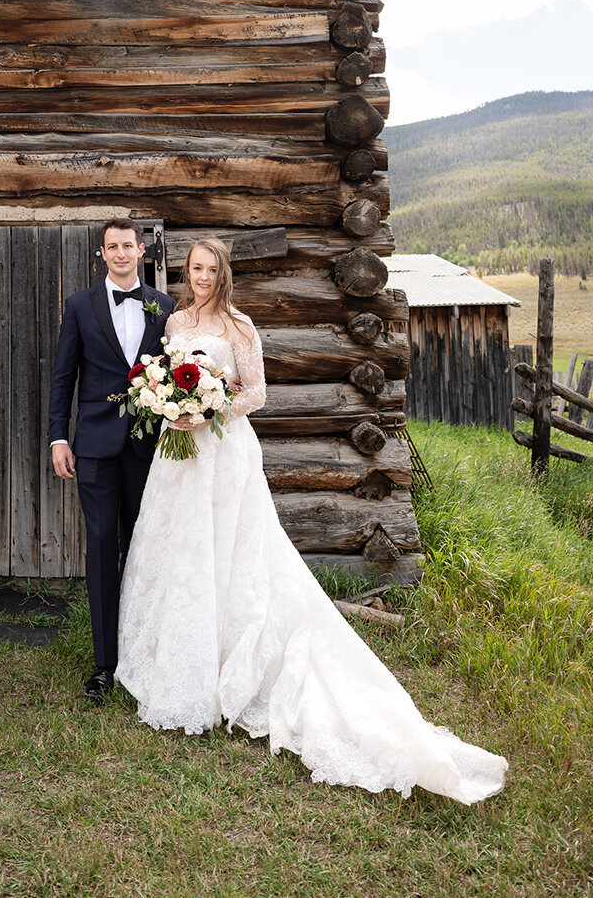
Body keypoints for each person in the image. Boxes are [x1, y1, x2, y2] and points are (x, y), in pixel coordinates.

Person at [116, 236, 508, 804]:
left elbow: (258, 394)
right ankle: (179, 666)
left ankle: (236, 663)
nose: (202, 276)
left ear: (224, 274)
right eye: (195, 268)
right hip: (180, 457)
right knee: (180, 551)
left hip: (224, 452)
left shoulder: (240, 326)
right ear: (187, 272)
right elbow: (161, 378)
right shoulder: (174, 324)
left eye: (211, 269)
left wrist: (207, 405)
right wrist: (171, 408)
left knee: (229, 552)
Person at [48, 218, 175, 701]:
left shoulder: (165, 308)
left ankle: (145, 656)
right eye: (111, 247)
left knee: (144, 548)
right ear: (101, 254)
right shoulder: (80, 306)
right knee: (102, 547)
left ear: (141, 250)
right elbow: (64, 378)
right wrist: (58, 438)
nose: (120, 253)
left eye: (128, 245)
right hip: (95, 447)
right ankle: (105, 665)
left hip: (149, 449)